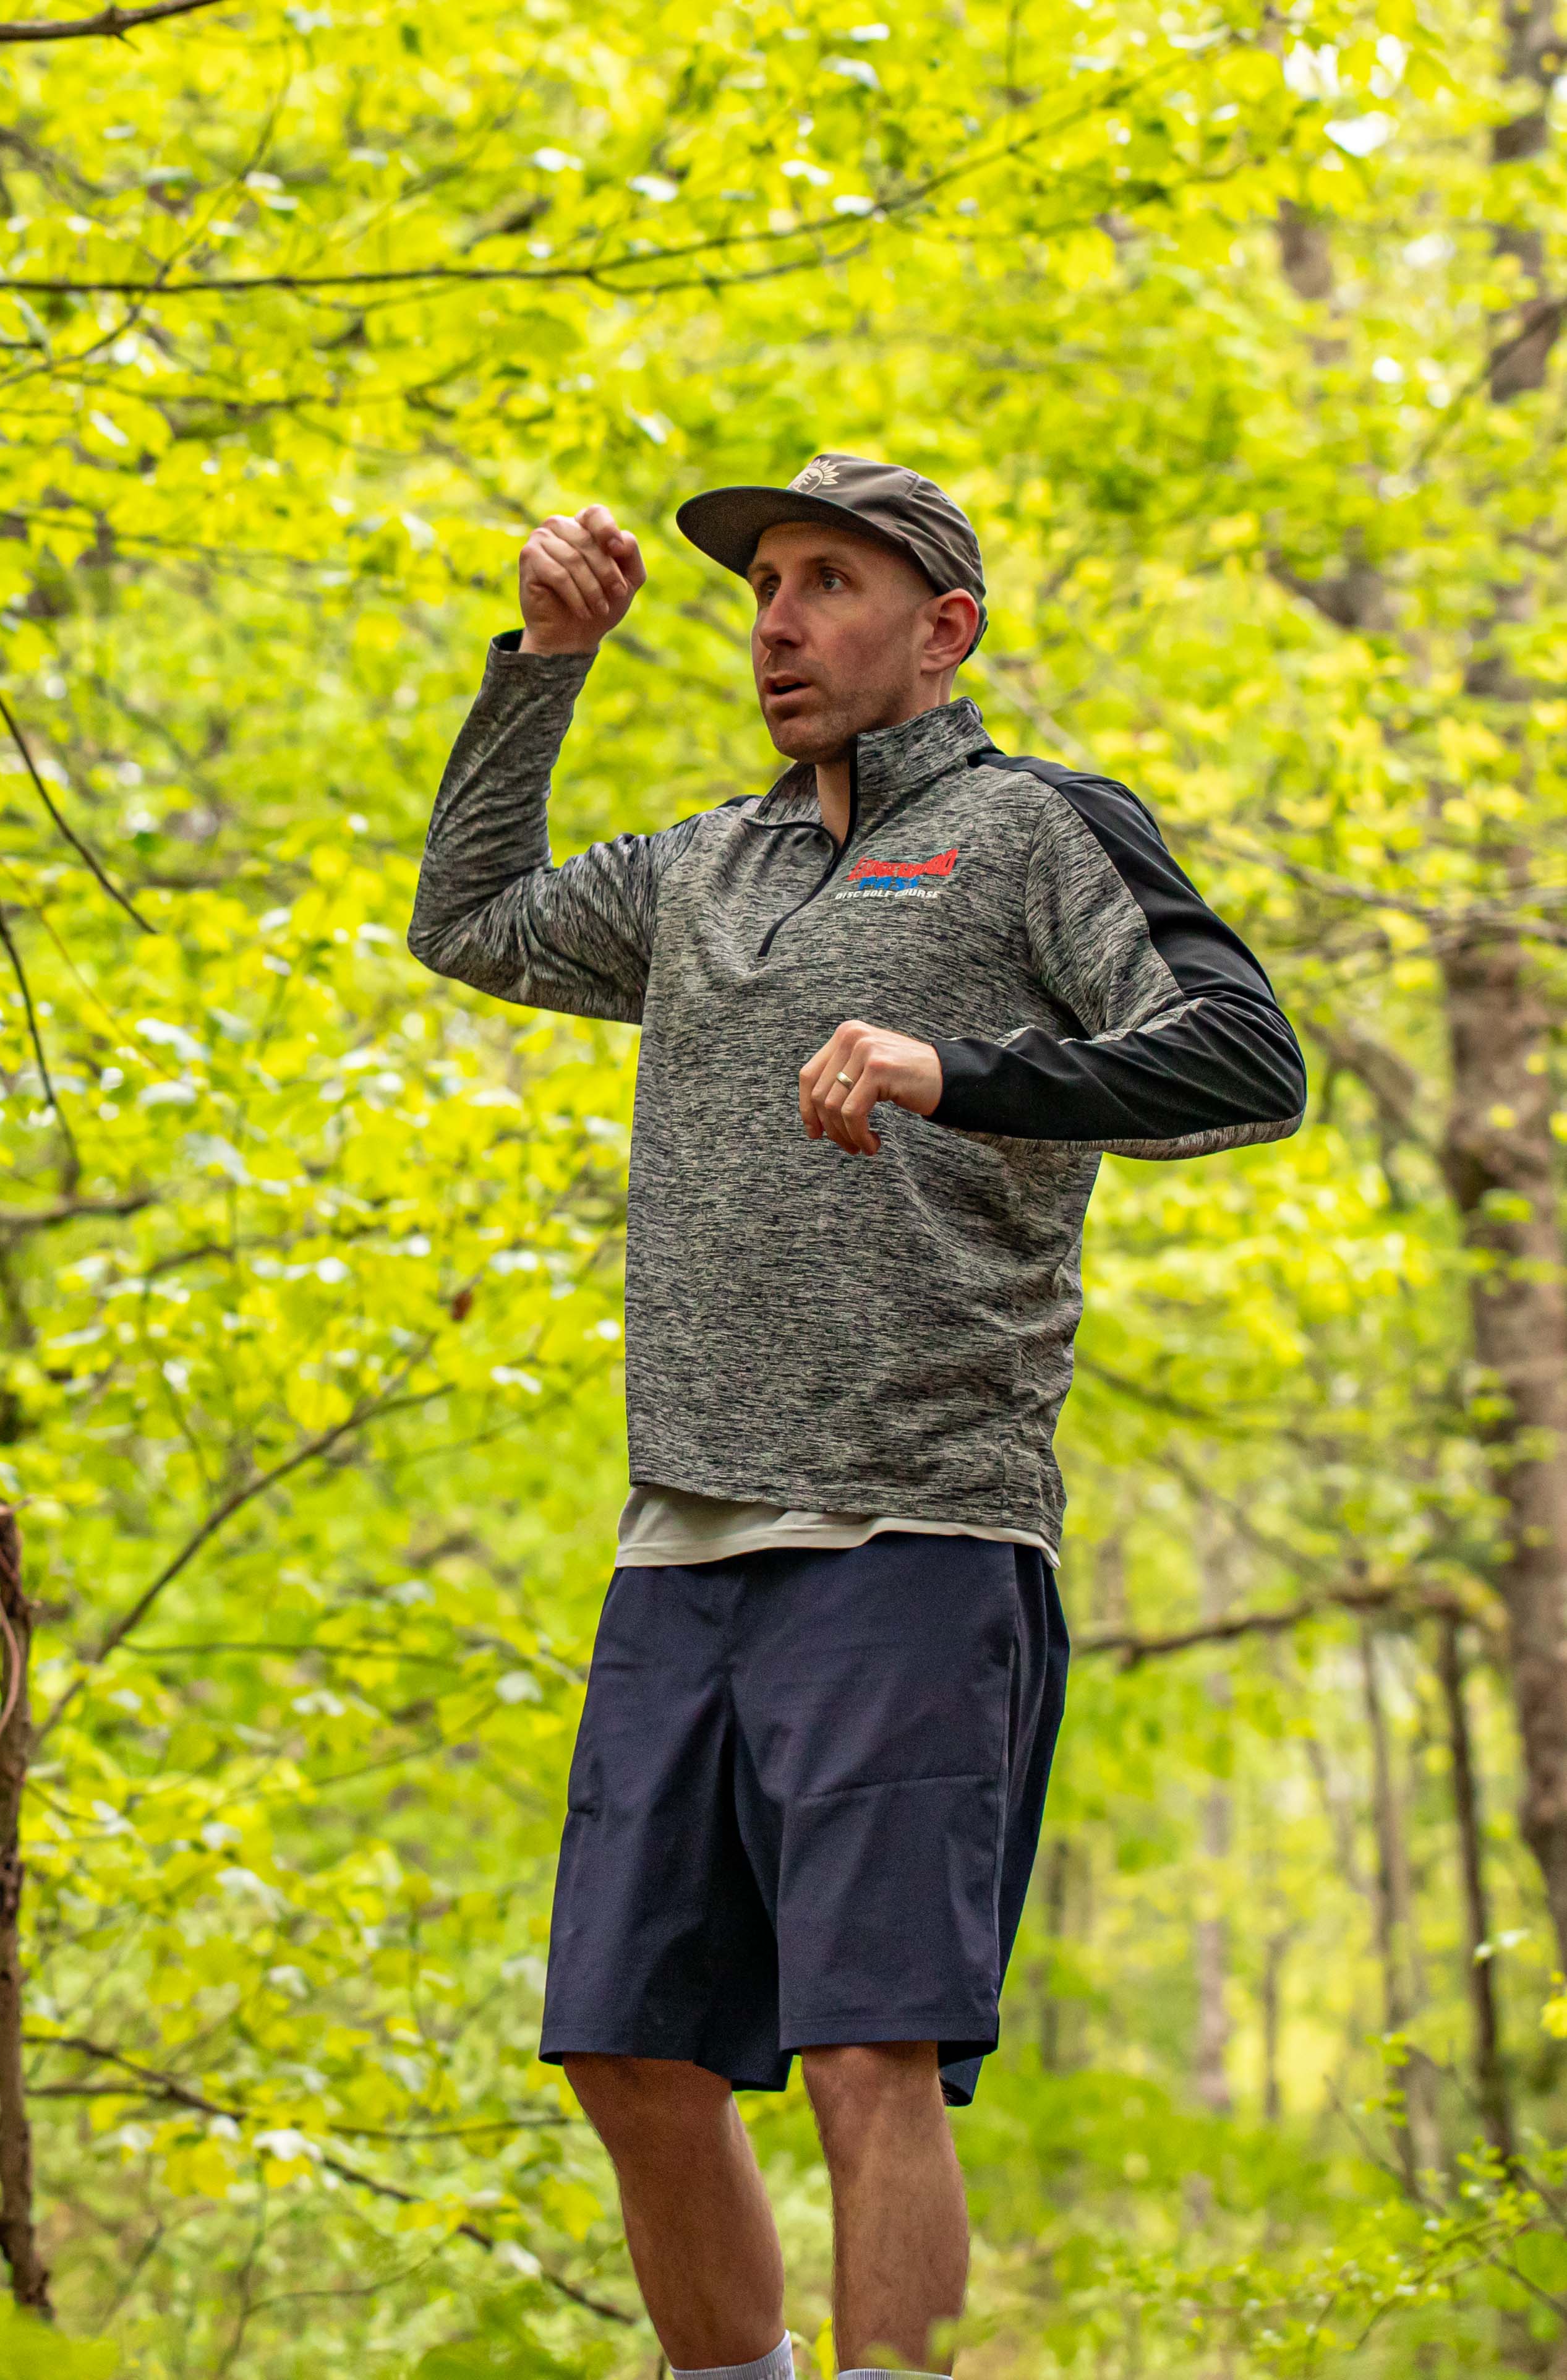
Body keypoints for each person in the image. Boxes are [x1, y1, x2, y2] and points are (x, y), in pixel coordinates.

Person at [407, 455, 1305, 2379]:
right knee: (629, 2054)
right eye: (763, 588)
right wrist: (543, 663)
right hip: (682, 1538)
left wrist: (956, 1069)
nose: (779, 623)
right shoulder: (705, 871)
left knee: (864, 2049)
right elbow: (470, 922)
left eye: (830, 583)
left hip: (919, 1528)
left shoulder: (1034, 831)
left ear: (943, 628)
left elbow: (1245, 1060)